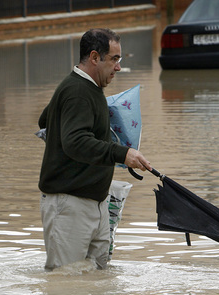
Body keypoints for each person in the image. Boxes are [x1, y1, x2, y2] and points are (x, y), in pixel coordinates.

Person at [38, 28, 151, 271]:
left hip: (95, 204)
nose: (118, 67)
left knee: (96, 282)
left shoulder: (85, 89)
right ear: (94, 57)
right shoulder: (77, 92)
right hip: (70, 207)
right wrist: (122, 153)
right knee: (66, 286)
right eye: (114, 59)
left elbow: (45, 121)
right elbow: (75, 141)